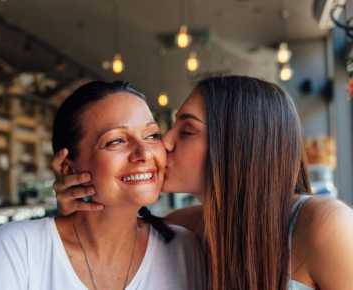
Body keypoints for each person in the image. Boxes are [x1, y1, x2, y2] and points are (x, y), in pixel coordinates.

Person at [52, 75, 353, 290]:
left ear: (237, 144)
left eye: (186, 131)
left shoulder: (324, 226)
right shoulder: (182, 229)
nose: (164, 143)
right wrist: (81, 210)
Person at [0, 81, 206, 290]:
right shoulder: (19, 248)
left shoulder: (184, 249)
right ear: (68, 168)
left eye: (151, 135)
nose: (143, 153)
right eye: (116, 141)